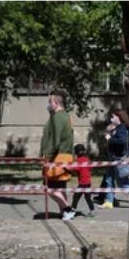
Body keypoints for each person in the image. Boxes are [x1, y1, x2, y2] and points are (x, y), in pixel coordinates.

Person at [40, 93, 76, 221]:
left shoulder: (58, 118)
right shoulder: (66, 116)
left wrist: (47, 156)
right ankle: (64, 213)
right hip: (65, 156)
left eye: (50, 102)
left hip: (57, 157)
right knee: (60, 188)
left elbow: (54, 140)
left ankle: (67, 209)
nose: (48, 104)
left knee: (49, 188)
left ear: (56, 103)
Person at [97, 108, 129, 209]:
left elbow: (121, 141)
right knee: (109, 180)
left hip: (119, 159)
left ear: (119, 117)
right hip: (113, 159)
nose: (111, 118)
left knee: (123, 183)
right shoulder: (118, 128)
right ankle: (109, 201)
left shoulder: (122, 128)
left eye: (113, 117)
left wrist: (110, 139)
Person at [70, 143, 96, 217]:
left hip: (82, 183)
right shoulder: (87, 159)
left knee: (76, 196)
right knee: (87, 197)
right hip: (88, 182)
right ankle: (92, 210)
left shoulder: (78, 160)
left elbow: (76, 169)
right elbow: (90, 168)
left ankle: (72, 210)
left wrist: (68, 167)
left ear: (76, 153)